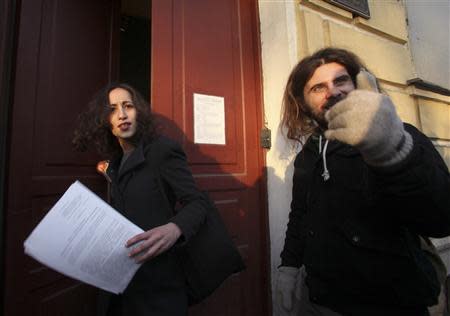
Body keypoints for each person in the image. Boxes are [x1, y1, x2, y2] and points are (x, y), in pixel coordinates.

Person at [275, 47, 450, 316]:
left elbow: (441, 217)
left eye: (341, 80)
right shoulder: (306, 157)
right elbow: (300, 216)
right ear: (303, 101)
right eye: (318, 88)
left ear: (357, 83)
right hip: (320, 301)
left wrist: (391, 150)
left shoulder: (399, 136)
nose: (333, 92)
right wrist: (288, 267)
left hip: (392, 304)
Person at [73, 82, 208, 316]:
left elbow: (197, 203)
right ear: (104, 120)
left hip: (158, 288)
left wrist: (175, 228)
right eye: (112, 109)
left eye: (128, 106)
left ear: (140, 113)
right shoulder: (114, 163)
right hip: (119, 286)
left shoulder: (162, 150)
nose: (122, 114)